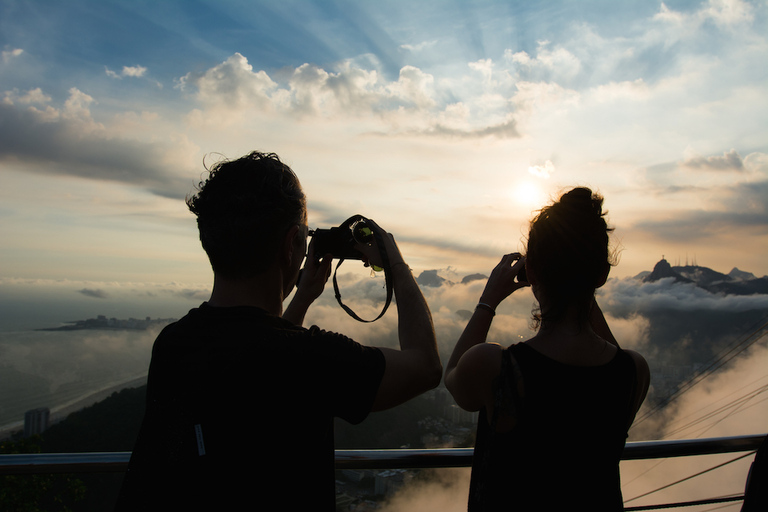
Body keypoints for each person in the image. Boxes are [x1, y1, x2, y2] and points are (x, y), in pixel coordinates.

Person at [115, 151, 441, 511]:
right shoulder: (311, 359)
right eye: (303, 236)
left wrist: (300, 298)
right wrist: (395, 262)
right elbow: (425, 366)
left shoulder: (173, 346)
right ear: (290, 245)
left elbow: (254, 349)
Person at [444, 187, 650, 511]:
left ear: (531, 271)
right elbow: (612, 356)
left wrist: (488, 300)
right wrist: (581, 283)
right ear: (602, 275)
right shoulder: (634, 372)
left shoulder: (497, 367)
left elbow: (452, 376)